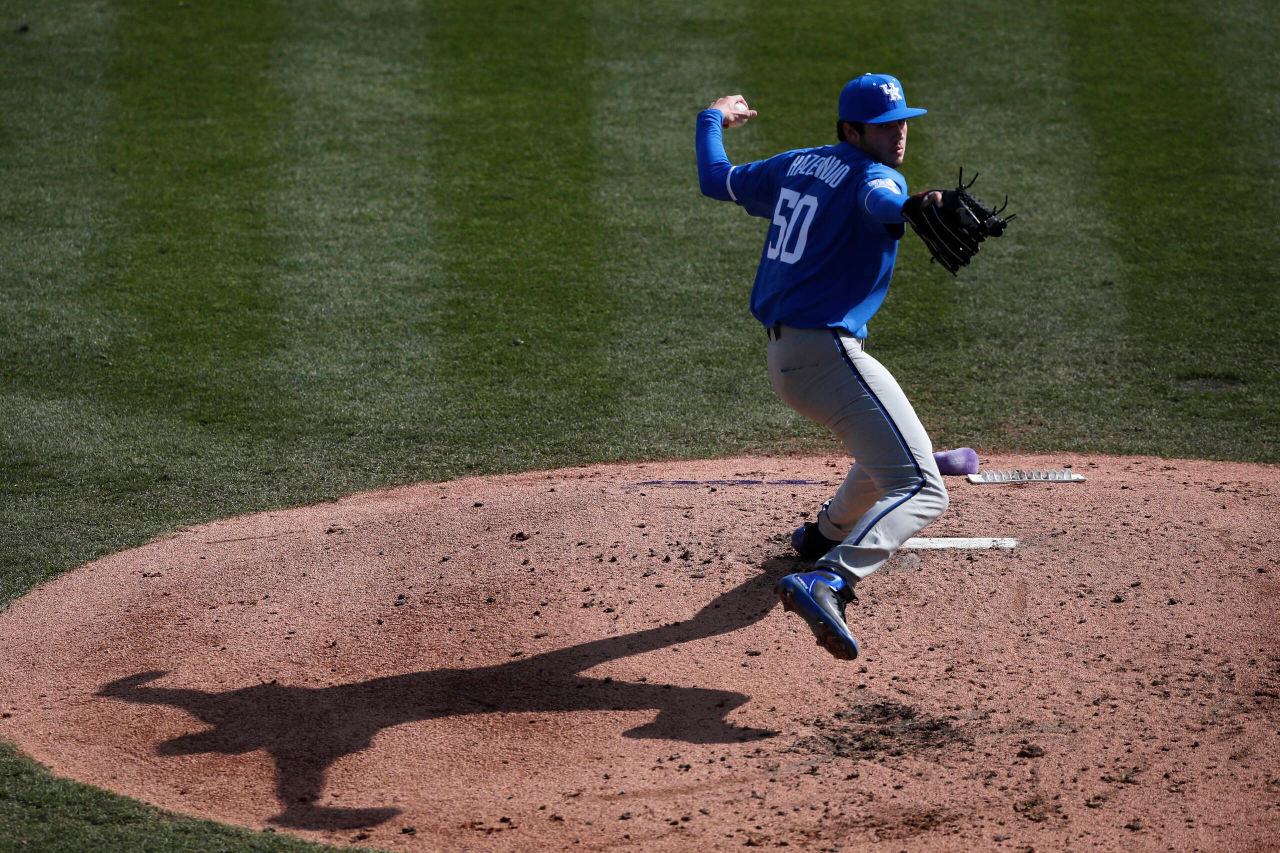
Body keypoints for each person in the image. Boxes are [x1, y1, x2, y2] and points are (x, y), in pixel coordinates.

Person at [695, 74, 950, 661]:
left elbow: (717, 180)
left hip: (790, 361)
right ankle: (831, 578)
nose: (898, 134)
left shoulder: (799, 164)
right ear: (852, 130)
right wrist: (913, 205)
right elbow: (880, 200)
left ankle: (822, 536)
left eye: (902, 121)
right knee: (922, 487)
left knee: (885, 450)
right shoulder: (878, 177)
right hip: (828, 356)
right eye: (884, 126)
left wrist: (712, 119)